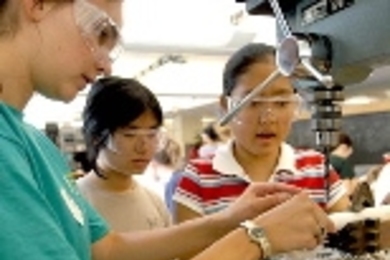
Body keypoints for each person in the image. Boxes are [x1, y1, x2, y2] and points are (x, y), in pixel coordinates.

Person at [0, 0, 345, 259]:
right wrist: (257, 238)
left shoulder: (34, 145)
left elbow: (106, 248)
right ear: (38, 4)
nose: (105, 65)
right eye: (100, 32)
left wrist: (228, 220)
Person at [174, 43, 350, 223]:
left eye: (281, 103)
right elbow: (188, 249)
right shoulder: (199, 177)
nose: (268, 119)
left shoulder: (317, 168)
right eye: (253, 103)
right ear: (226, 105)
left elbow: (350, 236)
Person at [77, 77, 171, 232]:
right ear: (96, 137)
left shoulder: (154, 202)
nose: (143, 147)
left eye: (152, 134)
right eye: (129, 134)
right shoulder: (75, 202)